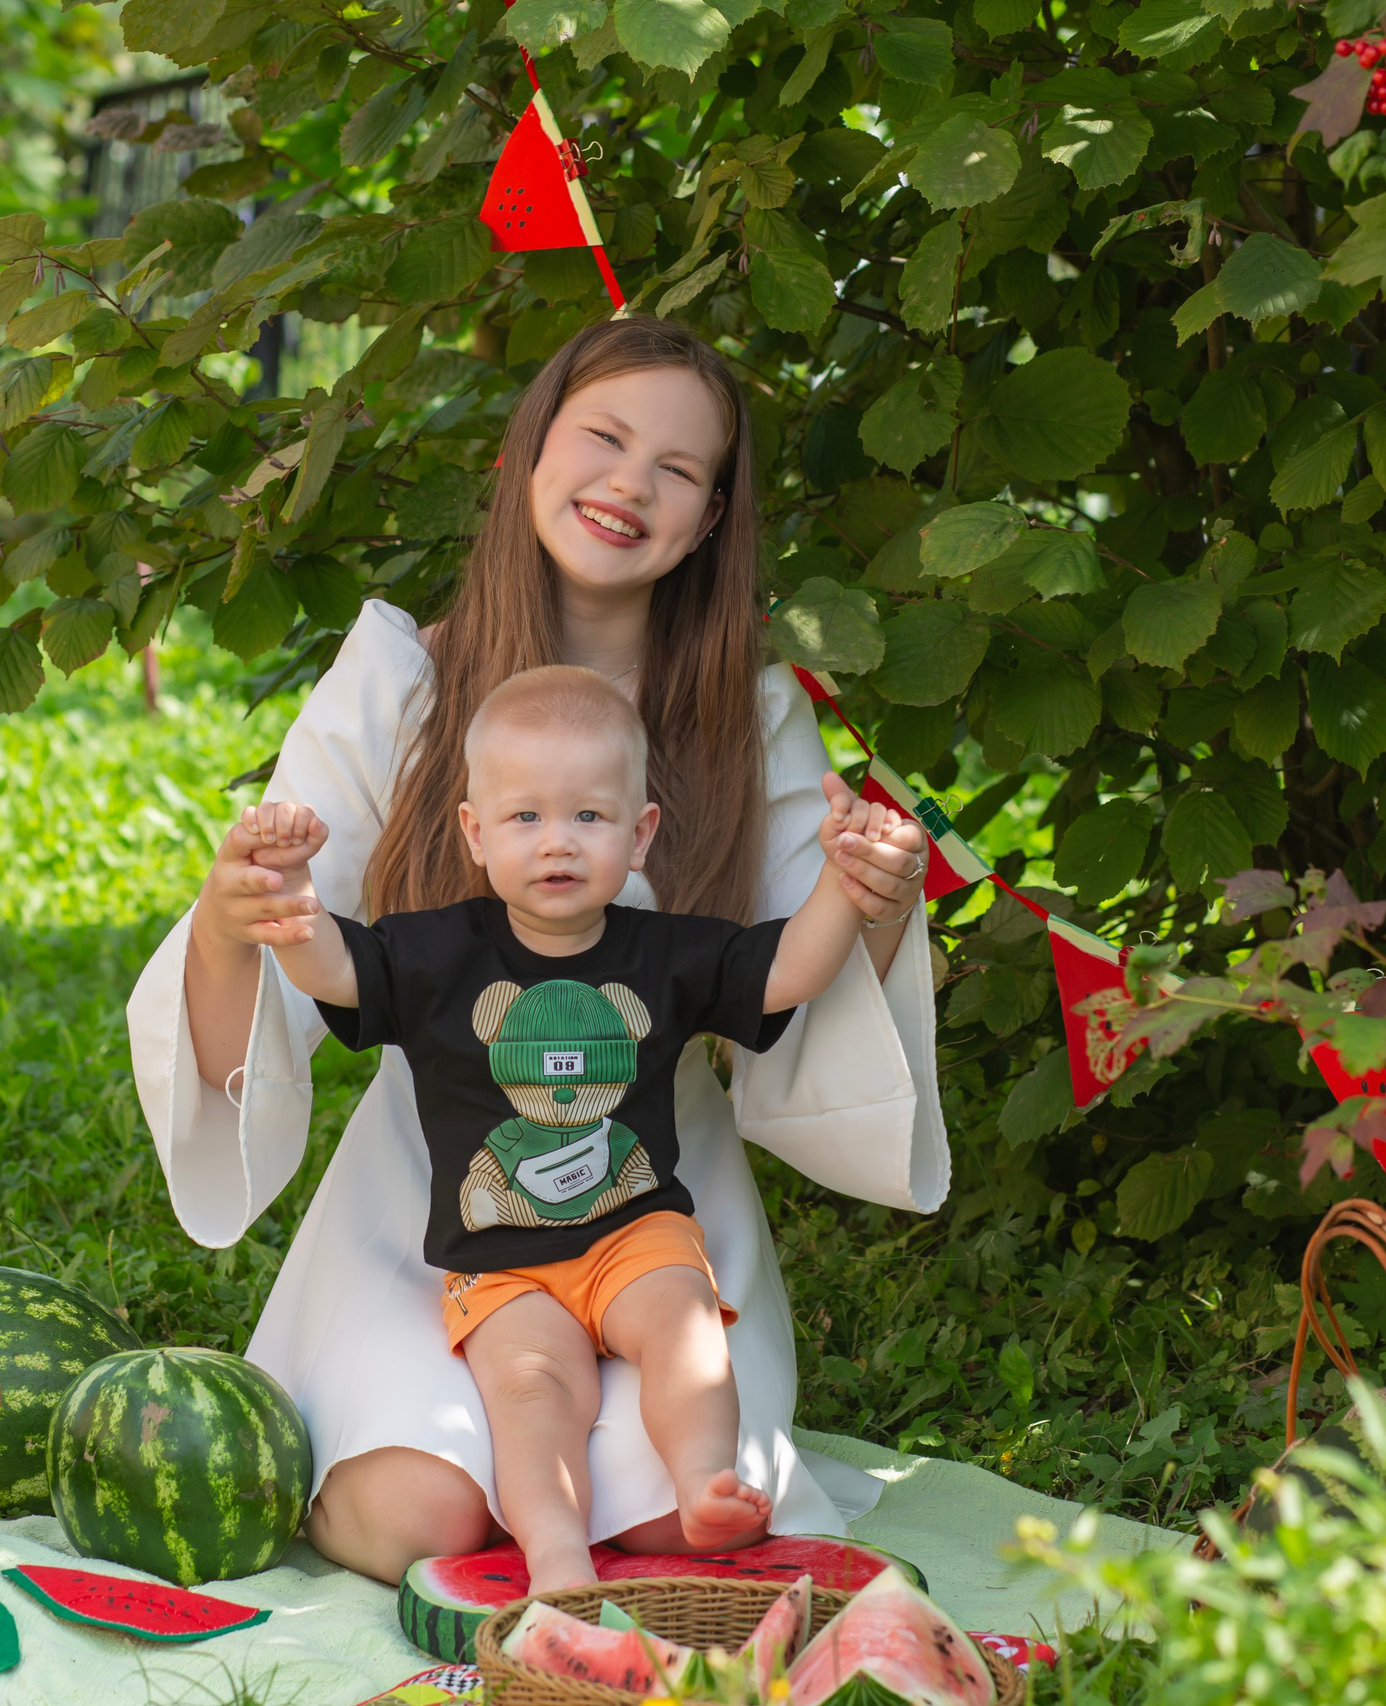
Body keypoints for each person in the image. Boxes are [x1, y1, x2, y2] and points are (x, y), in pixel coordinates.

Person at [127, 314, 946, 1587]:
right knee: (418, 1514)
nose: (631, 483)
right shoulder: (398, 682)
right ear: (529, 452)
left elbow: (804, 986)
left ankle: (610, 1511)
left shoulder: (751, 717)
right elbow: (290, 982)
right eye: (604, 438)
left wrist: (877, 893)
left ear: (713, 518)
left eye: (679, 469)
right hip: (433, 1202)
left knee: (682, 1510)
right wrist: (240, 920)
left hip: (655, 1210)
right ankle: (468, 1486)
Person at [222, 664, 925, 1591]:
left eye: (589, 818)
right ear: (475, 832)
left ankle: (706, 1480)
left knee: (685, 1331)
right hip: (499, 1258)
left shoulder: (668, 952)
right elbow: (336, 973)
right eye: (525, 818)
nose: (557, 843)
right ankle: (555, 1552)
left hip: (636, 1231)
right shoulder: (438, 953)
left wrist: (844, 884)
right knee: (529, 1393)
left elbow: (789, 971)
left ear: (640, 835)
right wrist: (291, 892)